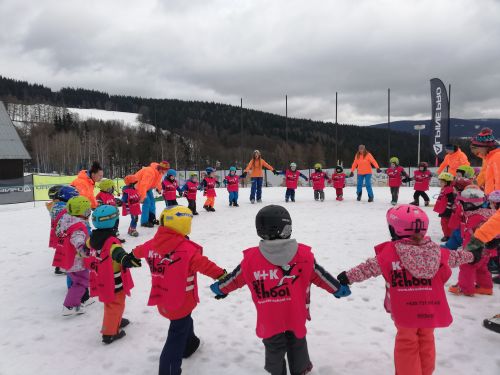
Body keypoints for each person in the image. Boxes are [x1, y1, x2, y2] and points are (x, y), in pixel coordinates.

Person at [336, 204, 481, 375]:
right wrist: (472, 255)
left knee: (407, 342)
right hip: (430, 307)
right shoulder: (437, 251)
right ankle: (425, 371)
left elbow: (369, 268)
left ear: (394, 230)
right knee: (427, 339)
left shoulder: (390, 252)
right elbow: (456, 257)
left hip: (405, 310)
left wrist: (347, 276)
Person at [210, 205, 350, 375]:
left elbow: (235, 278)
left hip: (269, 316)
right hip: (295, 312)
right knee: (297, 342)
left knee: (274, 347)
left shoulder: (251, 260)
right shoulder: (304, 256)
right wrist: (337, 289)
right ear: (286, 228)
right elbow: (321, 276)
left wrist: (221, 289)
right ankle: (300, 369)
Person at [132, 205, 227, 375]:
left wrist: (129, 256)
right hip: (180, 300)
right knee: (176, 335)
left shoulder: (153, 244)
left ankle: (190, 344)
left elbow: (138, 252)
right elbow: (205, 265)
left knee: (183, 324)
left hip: (162, 296)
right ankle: (168, 370)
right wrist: (222, 275)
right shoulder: (187, 249)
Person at [86, 205, 141, 344]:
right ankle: (109, 333)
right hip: (113, 279)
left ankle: (115, 320)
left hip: (101, 277)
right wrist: (129, 260)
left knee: (111, 303)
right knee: (115, 303)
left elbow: (87, 246)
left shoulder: (93, 238)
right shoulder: (111, 242)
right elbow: (118, 254)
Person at [448, 186, 495, 296]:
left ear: (468, 205)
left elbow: (453, 225)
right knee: (481, 268)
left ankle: (465, 288)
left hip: (472, 249)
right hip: (485, 250)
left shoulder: (473, 217)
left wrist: (458, 211)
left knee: (466, 267)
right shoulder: (486, 214)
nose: (461, 205)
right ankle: (485, 287)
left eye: (462, 203)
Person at [54, 196, 92, 316]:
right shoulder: (78, 227)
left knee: (77, 281)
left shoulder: (66, 219)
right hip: (77, 261)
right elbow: (78, 241)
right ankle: (69, 306)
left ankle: (76, 303)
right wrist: (86, 251)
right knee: (81, 282)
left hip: (67, 258)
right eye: (87, 210)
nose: (89, 212)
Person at [134, 161, 170, 228]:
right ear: (161, 168)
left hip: (148, 187)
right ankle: (144, 221)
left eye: (167, 170)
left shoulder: (159, 173)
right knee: (147, 202)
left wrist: (160, 189)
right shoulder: (150, 172)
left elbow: (158, 182)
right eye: (165, 170)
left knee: (152, 202)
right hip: (138, 186)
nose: (166, 172)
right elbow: (143, 184)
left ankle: (151, 218)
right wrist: (143, 196)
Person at [47, 185, 65, 275]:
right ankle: (61, 267)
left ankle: (59, 266)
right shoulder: (60, 206)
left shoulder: (53, 205)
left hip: (56, 230)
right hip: (61, 231)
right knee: (63, 248)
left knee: (60, 248)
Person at [433, 172, 456, 242]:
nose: (440, 183)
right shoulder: (444, 188)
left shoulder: (448, 189)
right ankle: (448, 235)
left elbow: (451, 199)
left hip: (447, 210)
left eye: (442, 182)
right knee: (444, 223)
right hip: (444, 209)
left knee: (445, 223)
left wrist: (448, 208)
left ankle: (448, 236)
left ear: (446, 182)